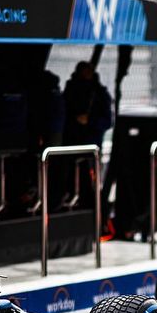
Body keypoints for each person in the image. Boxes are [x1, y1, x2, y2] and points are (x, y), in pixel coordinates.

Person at [61, 61, 112, 208]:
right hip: (71, 144)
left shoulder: (99, 93)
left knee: (89, 182)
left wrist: (89, 121)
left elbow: (107, 121)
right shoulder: (70, 90)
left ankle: (90, 205)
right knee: (71, 177)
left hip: (90, 145)